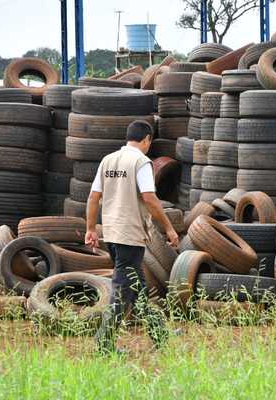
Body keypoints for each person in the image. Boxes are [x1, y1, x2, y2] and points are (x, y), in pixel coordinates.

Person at [84, 119, 180, 354]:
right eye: (150, 141)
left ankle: (160, 335)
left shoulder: (108, 160)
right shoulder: (141, 162)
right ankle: (103, 344)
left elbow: (93, 197)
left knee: (136, 288)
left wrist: (90, 229)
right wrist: (168, 228)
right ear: (147, 140)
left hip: (113, 234)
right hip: (130, 235)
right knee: (122, 290)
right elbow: (149, 198)